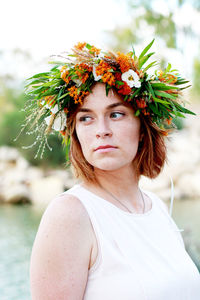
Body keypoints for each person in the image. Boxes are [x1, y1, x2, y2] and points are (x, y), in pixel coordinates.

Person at [27, 41, 200, 299]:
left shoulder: (156, 206)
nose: (101, 130)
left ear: (142, 127)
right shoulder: (70, 214)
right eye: (86, 118)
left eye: (116, 114)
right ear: (75, 133)